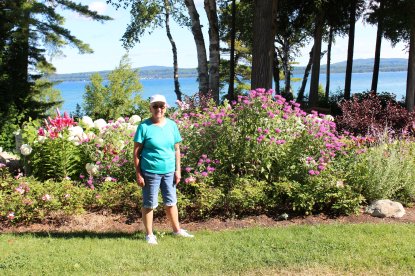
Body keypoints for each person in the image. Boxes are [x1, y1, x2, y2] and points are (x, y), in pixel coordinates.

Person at [133, 94, 194, 244]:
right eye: (155, 106)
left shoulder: (172, 125)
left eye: (161, 106)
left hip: (169, 171)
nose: (158, 109)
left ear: (166, 107)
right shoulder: (144, 127)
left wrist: (177, 170)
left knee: (171, 202)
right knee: (149, 204)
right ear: (150, 108)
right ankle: (149, 235)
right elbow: (136, 153)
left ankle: (177, 230)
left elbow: (176, 150)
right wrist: (139, 173)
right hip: (150, 171)